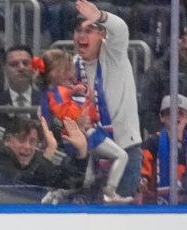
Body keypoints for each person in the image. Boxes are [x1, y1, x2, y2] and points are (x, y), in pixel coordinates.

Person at [34, 48, 131, 203]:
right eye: (67, 70)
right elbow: (69, 113)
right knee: (121, 155)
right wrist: (79, 116)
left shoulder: (52, 92)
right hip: (85, 135)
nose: (72, 74)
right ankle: (110, 192)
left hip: (80, 135)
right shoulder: (58, 93)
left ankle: (57, 194)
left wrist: (82, 95)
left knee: (87, 179)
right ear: (55, 73)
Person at [71, 0, 145, 198]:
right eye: (79, 31)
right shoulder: (72, 67)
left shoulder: (114, 53)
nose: (82, 36)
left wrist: (101, 17)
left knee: (120, 222)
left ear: (102, 34)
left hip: (125, 150)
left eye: (90, 30)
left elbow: (120, 29)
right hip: (92, 156)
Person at [0, 117, 87, 193]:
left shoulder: (36, 159)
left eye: (32, 141)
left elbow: (68, 183)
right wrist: (49, 152)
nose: (27, 147)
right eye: (21, 139)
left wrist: (80, 154)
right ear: (7, 140)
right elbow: (20, 189)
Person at [140, 19, 187, 134]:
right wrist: (165, 135)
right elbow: (147, 112)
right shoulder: (157, 71)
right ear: (185, 39)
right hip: (167, 139)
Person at [140, 94, 187, 203]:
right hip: (155, 205)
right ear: (162, 117)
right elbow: (143, 169)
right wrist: (143, 180)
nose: (176, 116)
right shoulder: (152, 143)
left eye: (181, 113)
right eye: (170, 113)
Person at [0, 45, 42, 129]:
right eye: (14, 64)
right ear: (4, 69)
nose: (21, 68)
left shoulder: (48, 102)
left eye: (26, 63)